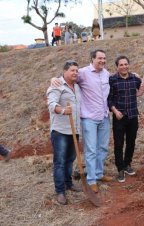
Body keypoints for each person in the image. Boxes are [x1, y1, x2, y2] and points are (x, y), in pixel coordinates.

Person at [51, 49, 113, 193]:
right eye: (99, 58)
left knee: (103, 148)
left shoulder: (106, 74)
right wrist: (55, 78)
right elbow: (67, 79)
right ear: (92, 59)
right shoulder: (83, 73)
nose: (102, 61)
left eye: (104, 58)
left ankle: (99, 173)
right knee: (91, 150)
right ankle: (91, 180)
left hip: (104, 117)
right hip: (89, 118)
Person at [47, 60, 82, 205]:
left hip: (74, 130)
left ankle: (69, 183)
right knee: (60, 162)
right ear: (65, 71)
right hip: (60, 131)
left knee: (70, 159)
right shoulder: (56, 85)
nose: (75, 73)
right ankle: (60, 191)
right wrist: (62, 110)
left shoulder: (77, 86)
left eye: (76, 71)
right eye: (72, 70)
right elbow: (51, 104)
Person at [108, 56, 141, 183]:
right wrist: (115, 111)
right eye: (121, 65)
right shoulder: (112, 80)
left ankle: (127, 164)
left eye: (126, 64)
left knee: (131, 141)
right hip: (119, 117)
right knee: (119, 143)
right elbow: (109, 99)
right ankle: (120, 168)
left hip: (133, 116)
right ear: (117, 67)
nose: (124, 67)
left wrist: (141, 78)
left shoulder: (134, 79)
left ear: (128, 65)